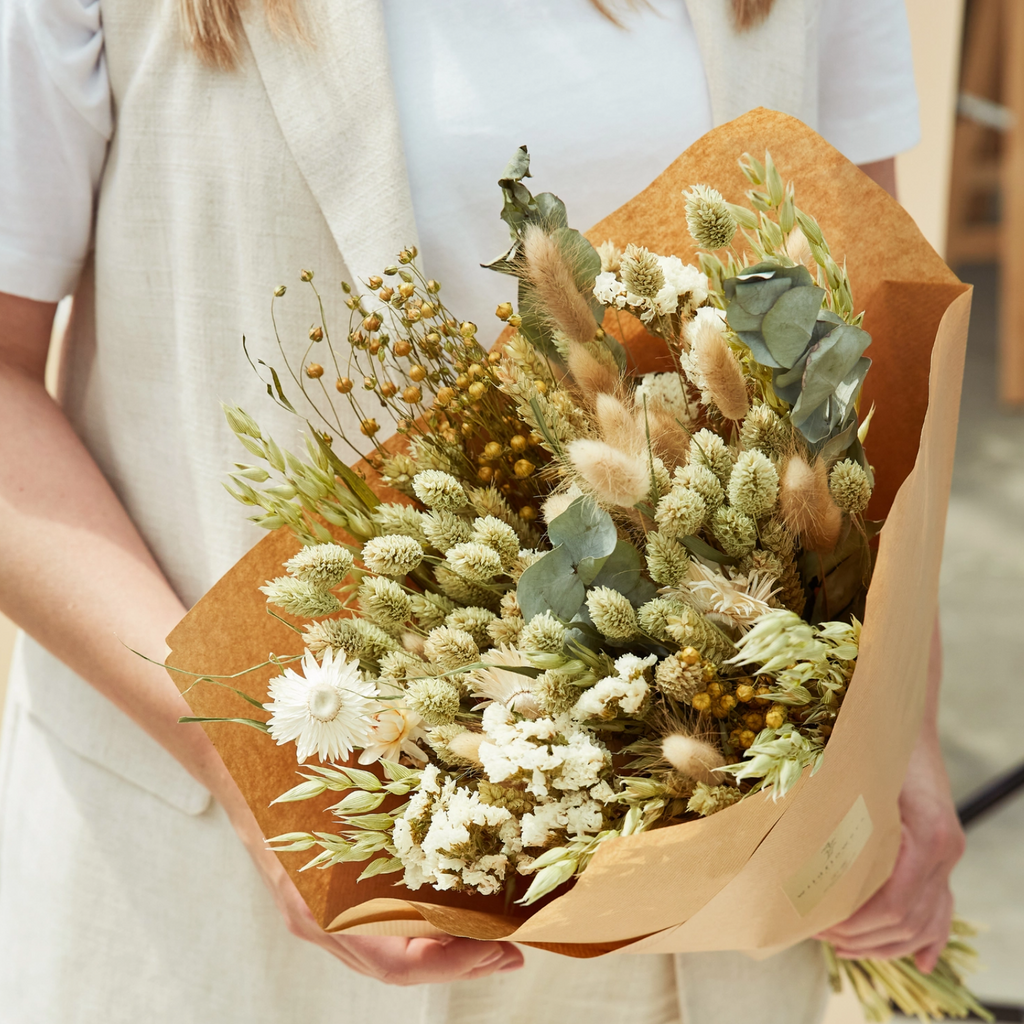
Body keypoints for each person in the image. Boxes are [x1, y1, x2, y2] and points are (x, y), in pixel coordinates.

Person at [0, 0, 965, 1021]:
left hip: (694, 908)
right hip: (246, 897)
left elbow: (846, 352)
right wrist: (235, 750)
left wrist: (901, 722)